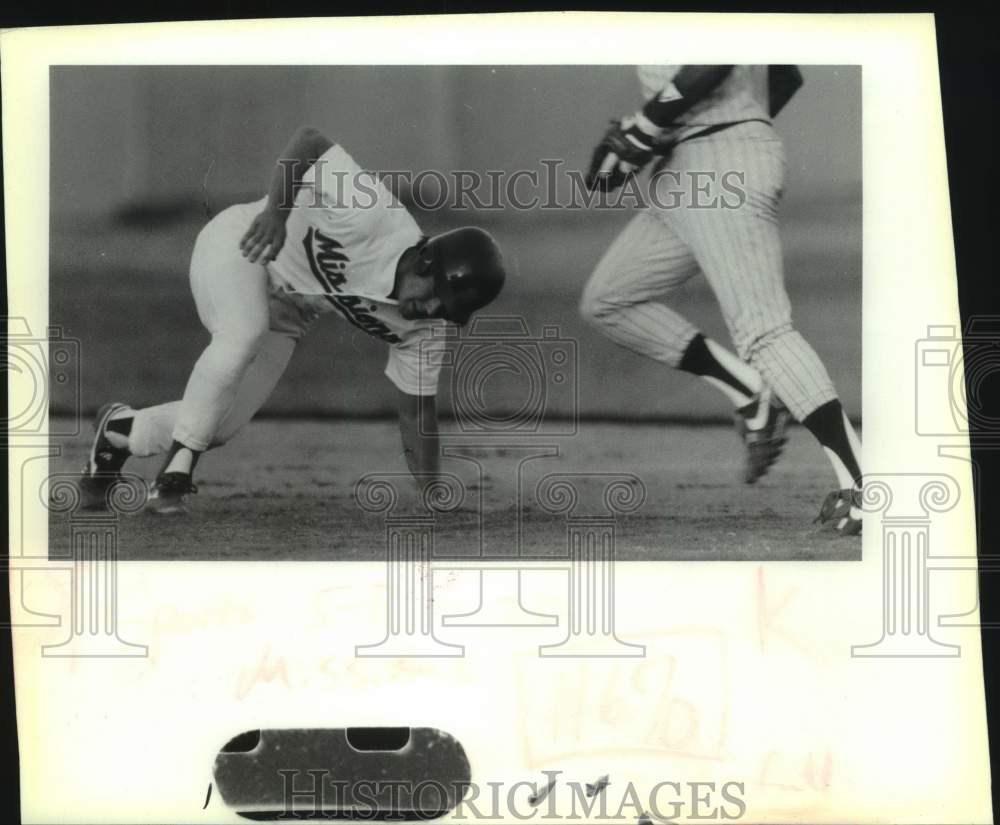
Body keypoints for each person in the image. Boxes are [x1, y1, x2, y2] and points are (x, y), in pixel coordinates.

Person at [79, 125, 506, 514]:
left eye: (448, 312)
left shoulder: (424, 332)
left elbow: (416, 416)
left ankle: (118, 431)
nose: (434, 313)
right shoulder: (373, 216)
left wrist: (433, 497)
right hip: (243, 245)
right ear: (425, 261)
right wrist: (276, 214)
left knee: (219, 425)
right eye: (438, 298)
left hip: (289, 311)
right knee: (243, 331)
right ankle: (176, 470)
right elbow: (308, 143)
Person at [580, 65, 862, 535]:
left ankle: (866, 488)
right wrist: (668, 133)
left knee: (764, 331)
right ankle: (752, 393)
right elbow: (785, 74)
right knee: (609, 299)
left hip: (717, 163)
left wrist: (648, 125)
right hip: (687, 168)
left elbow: (716, 56)